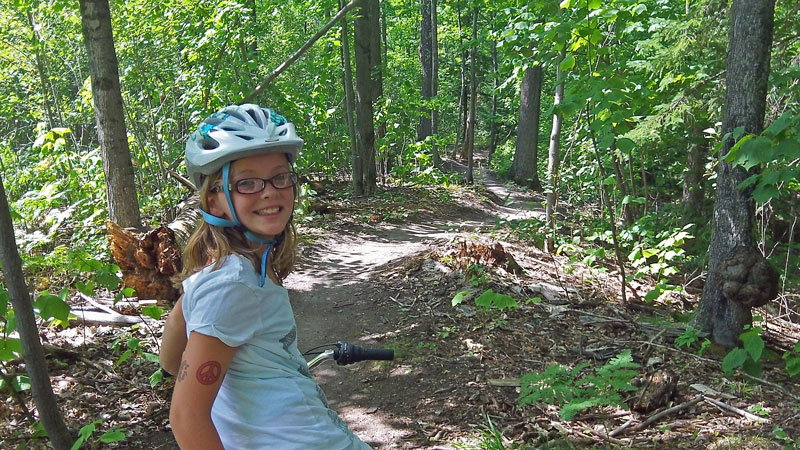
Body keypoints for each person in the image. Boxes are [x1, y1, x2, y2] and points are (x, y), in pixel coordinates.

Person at [159, 104, 371, 449]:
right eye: (247, 183)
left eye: (279, 177)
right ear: (215, 201)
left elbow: (170, 361)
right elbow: (186, 416)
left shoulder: (222, 274)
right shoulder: (233, 284)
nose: (269, 191)